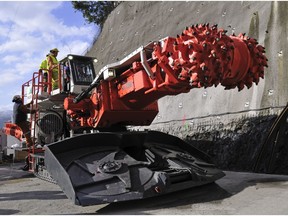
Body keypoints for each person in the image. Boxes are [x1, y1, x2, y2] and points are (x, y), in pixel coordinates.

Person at [12, 95, 38, 171]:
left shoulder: (17, 105)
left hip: (18, 121)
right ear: (18, 99)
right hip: (21, 121)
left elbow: (24, 107)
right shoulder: (20, 105)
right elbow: (26, 110)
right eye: (20, 98)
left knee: (28, 127)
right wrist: (34, 111)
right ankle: (29, 143)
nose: (21, 99)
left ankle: (29, 140)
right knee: (27, 132)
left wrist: (29, 103)